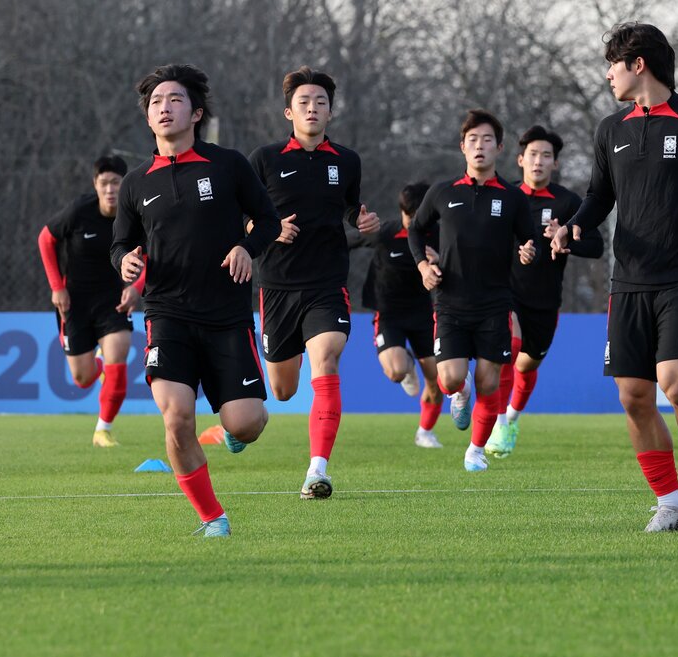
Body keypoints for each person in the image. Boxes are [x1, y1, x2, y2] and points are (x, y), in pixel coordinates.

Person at [553, 22, 678, 532]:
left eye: (612, 65)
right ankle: (672, 504)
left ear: (637, 64)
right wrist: (573, 226)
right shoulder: (610, 130)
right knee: (633, 396)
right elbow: (599, 197)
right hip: (628, 281)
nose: (608, 75)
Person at [111, 64, 280, 537]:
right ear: (147, 116)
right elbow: (119, 244)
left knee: (246, 424)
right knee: (177, 417)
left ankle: (233, 429)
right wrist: (125, 262)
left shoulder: (228, 165)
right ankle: (212, 517)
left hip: (227, 316)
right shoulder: (135, 183)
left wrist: (247, 247)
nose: (164, 108)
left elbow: (268, 220)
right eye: (155, 102)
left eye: (175, 99)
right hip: (167, 315)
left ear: (197, 112)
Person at [249, 67, 379, 499]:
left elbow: (350, 208)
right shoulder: (265, 159)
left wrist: (361, 219)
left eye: (320, 102)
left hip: (327, 283)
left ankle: (316, 471)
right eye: (304, 102)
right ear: (289, 111)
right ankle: (243, 414)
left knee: (326, 358)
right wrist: (266, 228)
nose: (312, 108)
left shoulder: (347, 160)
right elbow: (240, 214)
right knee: (283, 390)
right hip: (277, 285)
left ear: (330, 112)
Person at [409, 109, 537, 473]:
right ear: (462, 147)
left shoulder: (512, 198)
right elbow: (416, 230)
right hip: (450, 302)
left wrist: (529, 251)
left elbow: (529, 240)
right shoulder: (443, 191)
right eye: (472, 140)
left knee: (488, 380)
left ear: (499, 148)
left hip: (495, 303)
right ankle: (460, 393)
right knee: (450, 378)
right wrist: (423, 266)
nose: (479, 146)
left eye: (487, 140)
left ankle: (475, 451)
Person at [485, 125, 604, 458]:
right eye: (533, 154)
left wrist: (565, 239)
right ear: (520, 159)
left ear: (555, 163)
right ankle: (497, 423)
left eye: (546, 156)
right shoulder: (504, 194)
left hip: (545, 298)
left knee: (527, 365)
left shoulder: (568, 202)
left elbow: (596, 246)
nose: (538, 161)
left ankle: (511, 419)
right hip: (505, 292)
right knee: (508, 348)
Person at [39, 155, 143, 446]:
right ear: (95, 185)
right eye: (104, 183)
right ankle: (97, 366)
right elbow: (45, 239)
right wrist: (57, 287)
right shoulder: (79, 211)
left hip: (113, 301)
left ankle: (102, 430)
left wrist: (136, 287)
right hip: (74, 302)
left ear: (124, 185)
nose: (110, 189)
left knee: (118, 355)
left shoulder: (133, 216)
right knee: (83, 378)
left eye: (116, 183)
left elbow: (149, 253)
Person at [361, 182, 446, 448]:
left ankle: (425, 431)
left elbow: (464, 264)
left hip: (424, 315)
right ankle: (407, 363)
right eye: (410, 217)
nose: (414, 223)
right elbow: (345, 242)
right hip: (389, 315)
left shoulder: (439, 235)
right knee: (396, 371)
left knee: (438, 380)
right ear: (402, 212)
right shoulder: (385, 234)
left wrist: (441, 260)